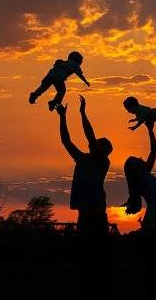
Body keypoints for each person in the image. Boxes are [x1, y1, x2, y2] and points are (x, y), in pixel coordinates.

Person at [58, 95, 112, 237]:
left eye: (98, 143)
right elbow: (66, 141)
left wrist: (82, 113)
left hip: (97, 212)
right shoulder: (82, 158)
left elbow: (89, 135)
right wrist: (62, 117)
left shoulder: (103, 161)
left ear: (103, 150)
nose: (94, 143)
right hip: (84, 212)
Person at [121, 120, 156, 234]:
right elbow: (154, 151)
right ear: (136, 167)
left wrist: (150, 130)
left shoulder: (146, 174)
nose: (142, 160)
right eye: (139, 160)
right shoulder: (141, 180)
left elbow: (154, 150)